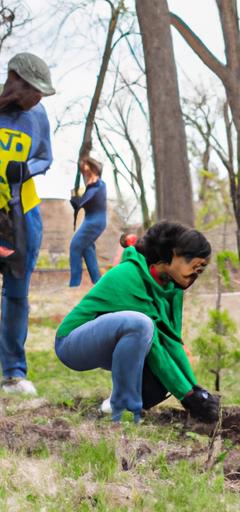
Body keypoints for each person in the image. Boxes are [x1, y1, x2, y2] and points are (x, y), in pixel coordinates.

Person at [55, 221, 219, 423]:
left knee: (159, 379)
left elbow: (172, 341)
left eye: (200, 270)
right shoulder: (129, 276)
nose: (195, 274)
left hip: (116, 341)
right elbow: (156, 344)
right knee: (141, 324)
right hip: (73, 343)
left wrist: (195, 390)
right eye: (193, 267)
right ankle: (122, 403)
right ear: (170, 255)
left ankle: (114, 407)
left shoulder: (173, 287)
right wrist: (185, 396)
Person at [0, 53, 54, 396]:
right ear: (15, 80)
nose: (40, 98)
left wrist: (27, 168)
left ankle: (13, 374)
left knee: (17, 293)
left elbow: (45, 156)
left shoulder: (38, 116)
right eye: (36, 90)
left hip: (23, 215)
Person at [69, 156, 107, 286]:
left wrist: (78, 202)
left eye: (87, 170)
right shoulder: (92, 185)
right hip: (90, 220)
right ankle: (97, 281)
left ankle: (74, 283)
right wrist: (77, 201)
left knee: (75, 246)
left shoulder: (98, 185)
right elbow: (84, 201)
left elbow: (88, 199)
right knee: (87, 248)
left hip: (95, 222)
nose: (85, 174)